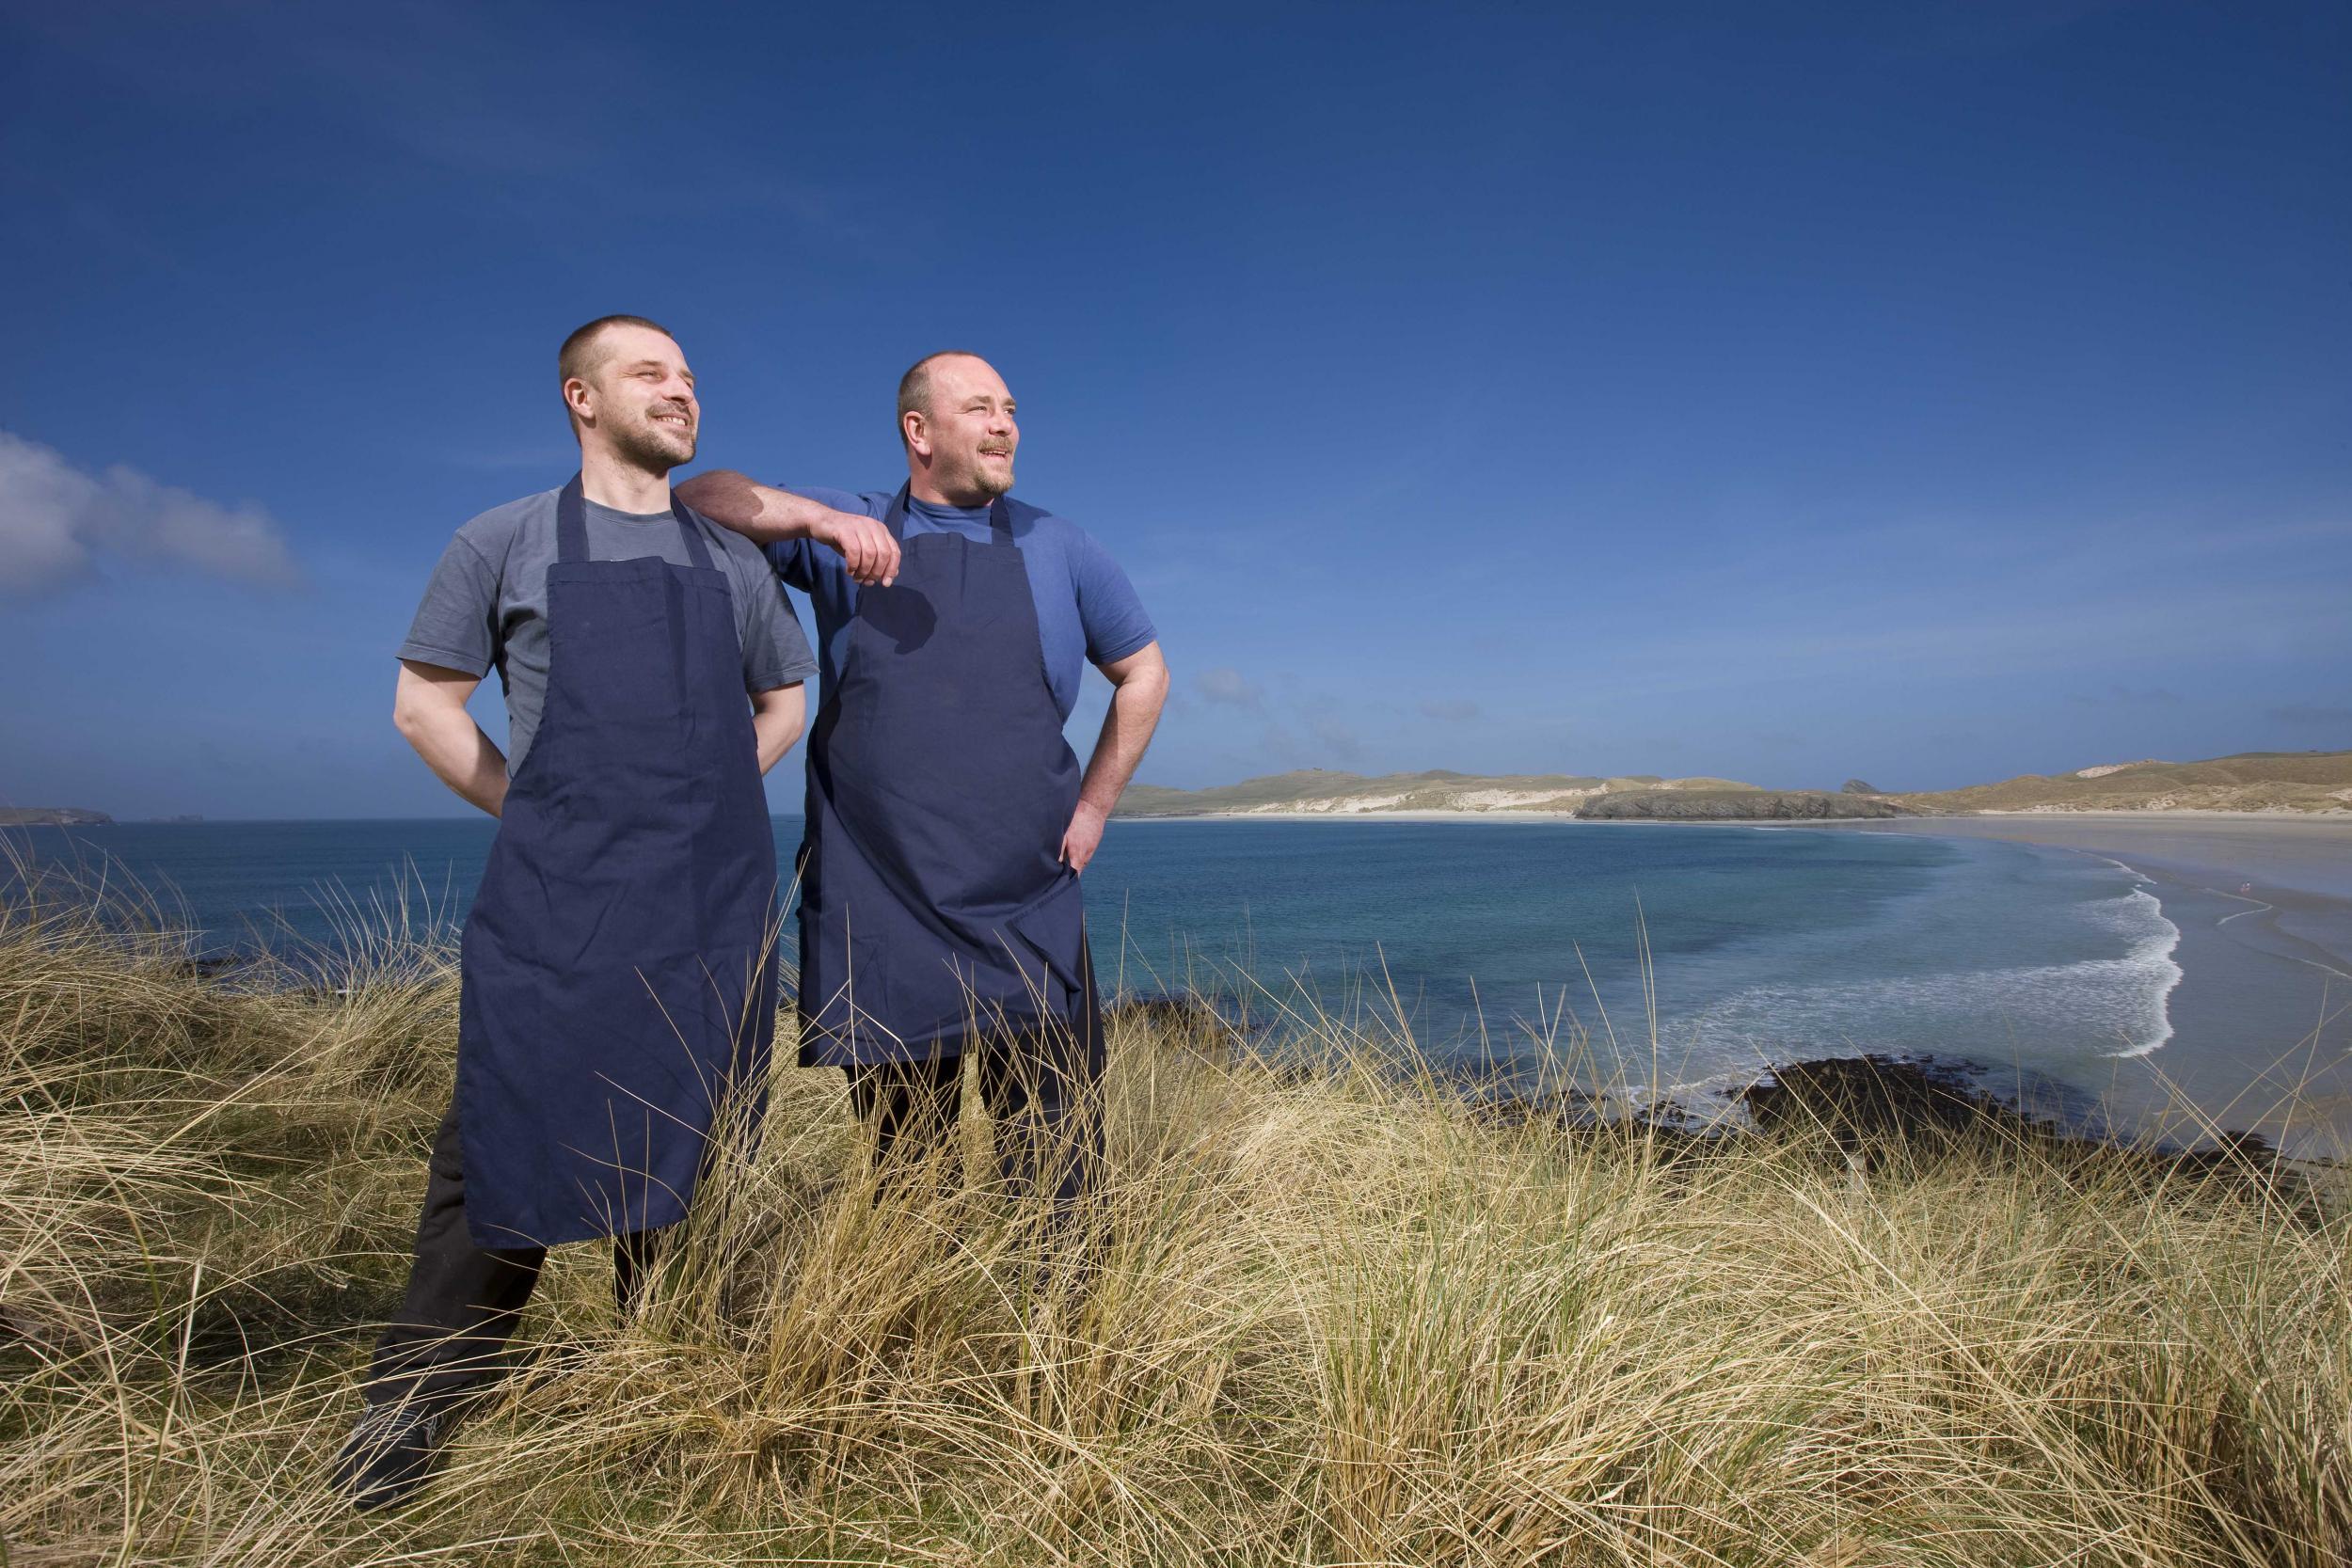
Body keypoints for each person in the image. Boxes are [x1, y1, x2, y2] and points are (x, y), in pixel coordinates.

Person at [332, 316, 818, 1512]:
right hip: (559, 903)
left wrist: (706, 795)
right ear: (580, 397)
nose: (682, 391)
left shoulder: (729, 561)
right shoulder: (501, 540)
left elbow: (787, 696)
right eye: (652, 372)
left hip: (709, 904)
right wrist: (533, 806)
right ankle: (409, 1424)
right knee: (500, 1146)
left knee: (699, 1146)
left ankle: (670, 1397)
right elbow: (422, 704)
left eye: (692, 378)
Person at [676, 350, 1168, 1227]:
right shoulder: (852, 529)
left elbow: (1146, 673)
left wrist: (1094, 805)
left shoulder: (1063, 546)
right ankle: (920, 1334)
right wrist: (822, 522)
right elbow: (701, 498)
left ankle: (1059, 1348)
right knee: (910, 1172)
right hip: (886, 892)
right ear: (919, 431)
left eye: (1010, 407)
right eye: (980, 407)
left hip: (1030, 890)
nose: (1006, 424)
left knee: (1058, 1164)